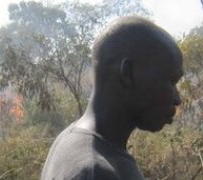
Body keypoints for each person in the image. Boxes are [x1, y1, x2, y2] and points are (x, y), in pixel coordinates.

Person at [41, 16, 183, 180]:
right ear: (128, 74)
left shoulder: (71, 140)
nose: (177, 99)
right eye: (171, 81)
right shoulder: (96, 172)